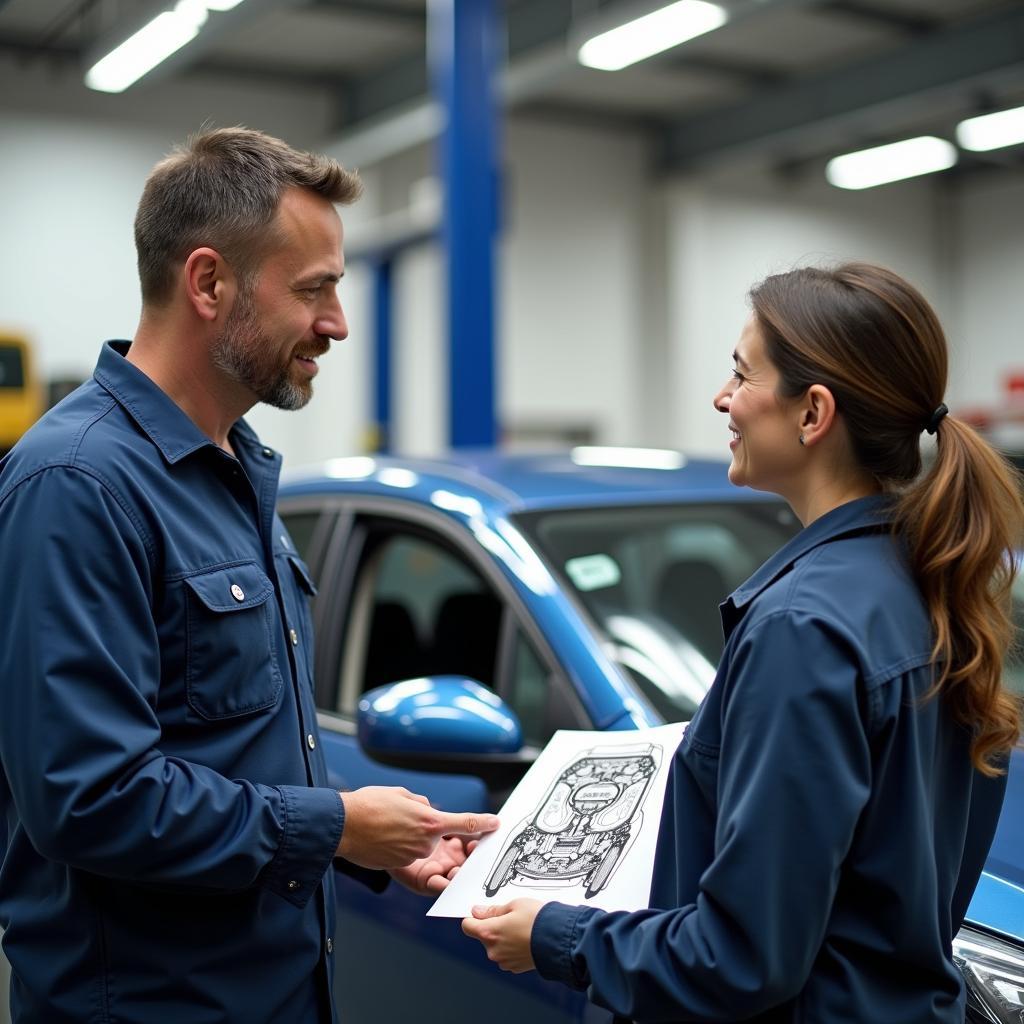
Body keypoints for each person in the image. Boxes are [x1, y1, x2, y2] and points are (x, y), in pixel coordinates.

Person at [0, 127, 497, 1024]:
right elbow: (87, 798)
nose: (338, 323)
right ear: (207, 282)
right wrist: (336, 825)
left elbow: (223, 754)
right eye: (315, 290)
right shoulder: (78, 483)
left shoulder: (235, 467)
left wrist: (364, 836)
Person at [463, 262, 1023, 1022]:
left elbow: (742, 960)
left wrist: (556, 936)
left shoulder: (804, 626)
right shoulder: (921, 581)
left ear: (812, 412)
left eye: (740, 374)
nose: (723, 399)